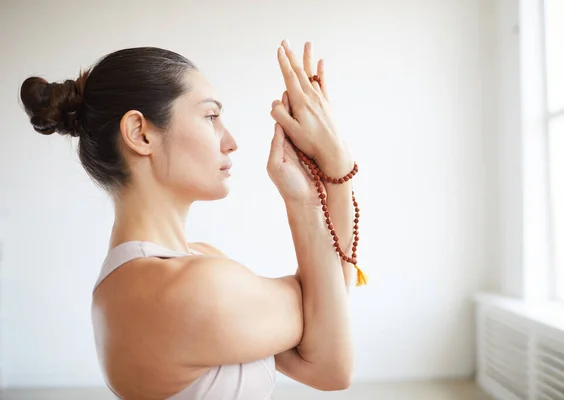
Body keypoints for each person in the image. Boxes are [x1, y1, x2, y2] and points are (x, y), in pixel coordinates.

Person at [19, 40, 365, 400]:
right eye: (211, 117)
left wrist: (327, 181)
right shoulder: (190, 288)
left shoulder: (181, 267)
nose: (230, 141)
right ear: (141, 133)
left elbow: (323, 341)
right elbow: (333, 363)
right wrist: (333, 171)